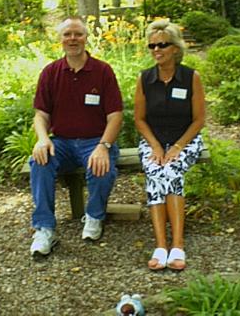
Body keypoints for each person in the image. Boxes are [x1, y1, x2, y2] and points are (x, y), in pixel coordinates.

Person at [29, 16, 123, 257]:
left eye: (78, 34)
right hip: (61, 142)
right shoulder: (51, 72)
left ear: (86, 37)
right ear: (60, 40)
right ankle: (44, 229)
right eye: (67, 34)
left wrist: (104, 146)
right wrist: (42, 139)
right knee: (39, 162)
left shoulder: (102, 71)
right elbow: (41, 115)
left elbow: (115, 116)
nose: (73, 39)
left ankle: (93, 216)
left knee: (102, 166)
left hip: (95, 140)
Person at [134, 19, 205, 271]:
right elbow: (139, 120)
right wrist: (155, 146)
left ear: (175, 48)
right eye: (152, 45)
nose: (156, 50)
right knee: (155, 171)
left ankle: (178, 244)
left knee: (172, 170)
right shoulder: (144, 79)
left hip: (186, 139)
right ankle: (161, 245)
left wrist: (176, 147)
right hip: (153, 141)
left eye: (162, 44)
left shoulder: (190, 77)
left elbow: (199, 120)